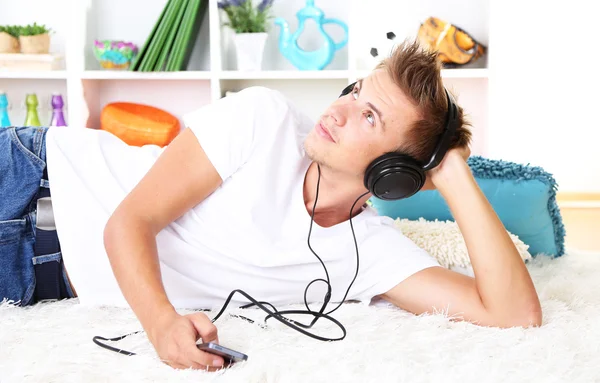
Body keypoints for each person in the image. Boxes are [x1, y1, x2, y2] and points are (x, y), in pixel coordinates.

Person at [0, 40, 542, 371]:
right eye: (354, 91)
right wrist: (163, 325)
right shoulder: (265, 118)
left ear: (394, 177)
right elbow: (128, 224)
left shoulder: (372, 254)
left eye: (371, 117)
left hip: (33, 278)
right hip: (32, 177)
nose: (340, 110)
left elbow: (514, 315)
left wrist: (451, 174)